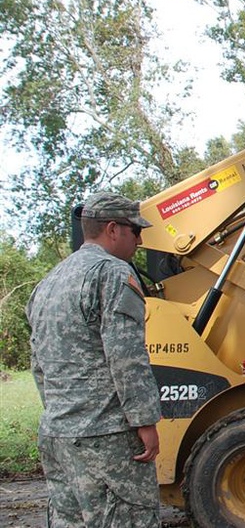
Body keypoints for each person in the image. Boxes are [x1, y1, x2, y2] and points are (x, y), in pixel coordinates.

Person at [26, 192, 162, 528]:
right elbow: (125, 354)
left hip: (58, 434)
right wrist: (144, 420)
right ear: (113, 230)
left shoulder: (48, 282)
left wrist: (62, 413)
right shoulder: (113, 274)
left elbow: (38, 363)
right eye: (135, 230)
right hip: (108, 437)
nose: (140, 240)